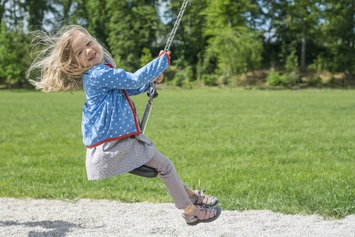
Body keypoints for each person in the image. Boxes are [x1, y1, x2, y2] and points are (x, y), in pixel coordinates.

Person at [27, 25, 221, 225]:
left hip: (119, 141)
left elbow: (129, 88)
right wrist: (161, 62)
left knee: (164, 168)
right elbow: (134, 79)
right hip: (114, 146)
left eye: (88, 42)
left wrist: (149, 84)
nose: (88, 49)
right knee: (165, 167)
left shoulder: (101, 71)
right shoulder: (97, 75)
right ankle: (191, 211)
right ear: (75, 62)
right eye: (79, 52)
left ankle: (191, 196)